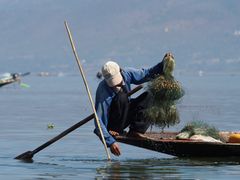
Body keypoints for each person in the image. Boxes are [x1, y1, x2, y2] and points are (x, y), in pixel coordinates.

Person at [94, 53, 174, 156]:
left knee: (150, 95)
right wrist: (110, 141)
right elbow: (99, 120)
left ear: (120, 71)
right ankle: (116, 129)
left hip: (125, 114)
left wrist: (163, 64)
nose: (116, 84)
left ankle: (136, 130)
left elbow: (148, 73)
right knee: (121, 97)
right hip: (113, 125)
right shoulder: (103, 90)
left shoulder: (127, 73)